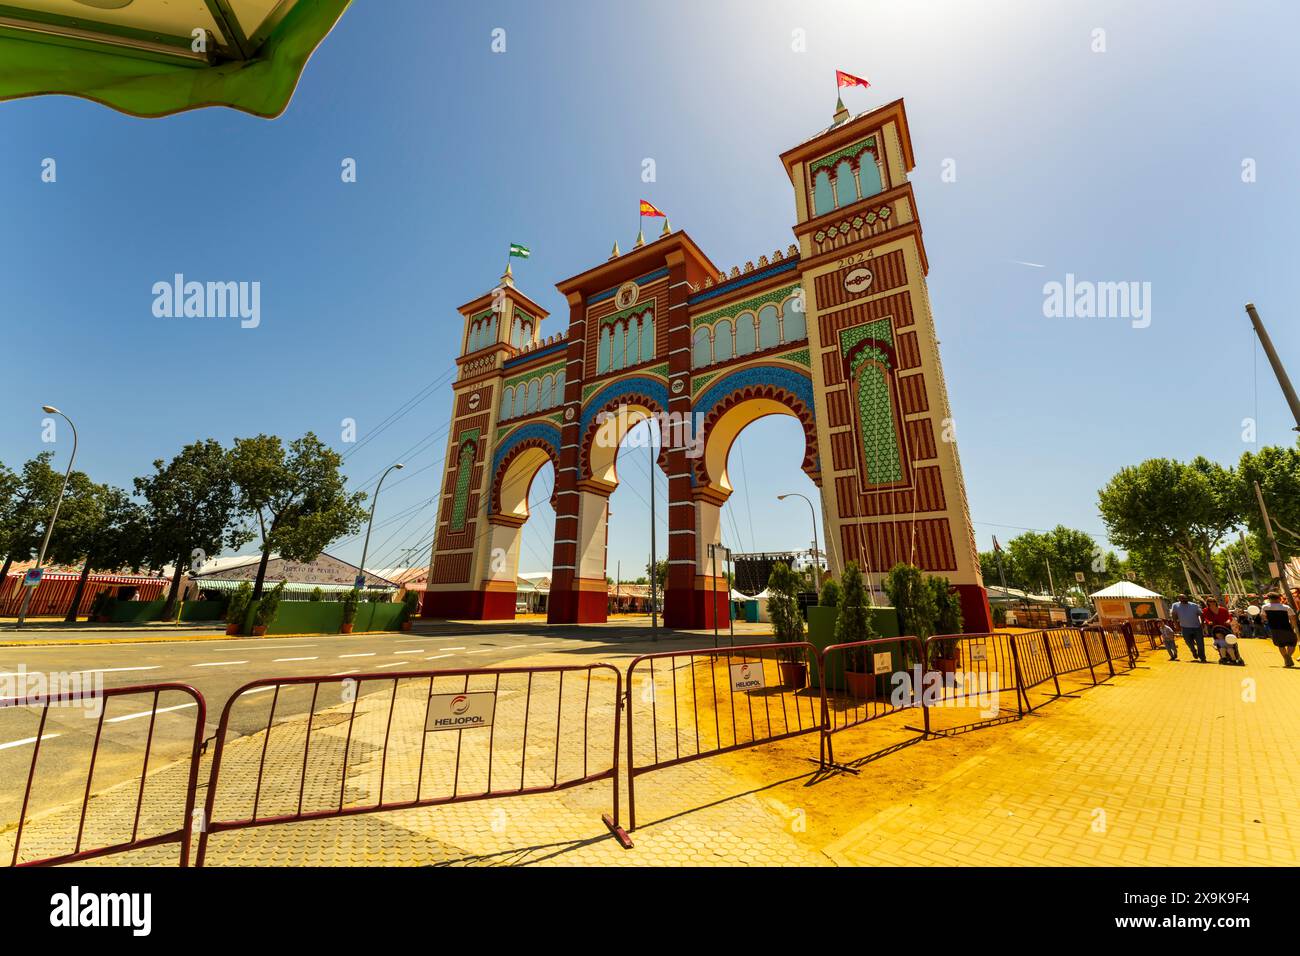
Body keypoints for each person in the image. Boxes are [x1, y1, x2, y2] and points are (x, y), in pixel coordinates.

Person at [1261, 592, 1298, 668]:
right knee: (1292, 643)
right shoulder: (1286, 607)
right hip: (1286, 628)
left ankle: (1286, 659)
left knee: (1281, 645)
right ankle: (1288, 657)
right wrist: (1294, 627)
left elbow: (1263, 617)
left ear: (1269, 599)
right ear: (1279, 598)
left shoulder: (1265, 607)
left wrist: (1269, 621)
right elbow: (1293, 618)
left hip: (1274, 629)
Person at [1203, 598, 1242, 665]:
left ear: (1215, 602)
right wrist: (1208, 622)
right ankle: (1223, 657)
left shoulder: (1222, 609)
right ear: (1207, 603)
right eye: (1210, 602)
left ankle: (1235, 657)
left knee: (1231, 644)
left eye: (1213, 601)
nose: (1212, 603)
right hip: (1215, 629)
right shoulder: (1206, 610)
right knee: (1220, 645)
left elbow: (1229, 617)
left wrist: (1228, 621)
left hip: (1225, 627)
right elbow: (1205, 618)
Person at [1169, 594, 1208, 662]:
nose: (1184, 599)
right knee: (1188, 642)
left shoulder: (1194, 605)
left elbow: (1201, 614)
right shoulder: (1175, 605)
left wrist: (1202, 623)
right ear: (1179, 599)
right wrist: (1176, 624)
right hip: (1185, 628)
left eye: (1184, 597)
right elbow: (1174, 615)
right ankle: (1193, 651)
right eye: (1182, 598)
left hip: (1197, 627)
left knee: (1200, 643)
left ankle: (1202, 657)